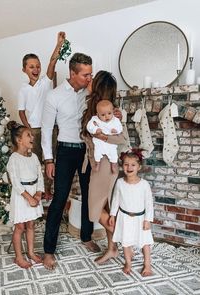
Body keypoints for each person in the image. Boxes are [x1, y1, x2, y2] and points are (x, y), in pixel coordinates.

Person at [41, 52, 100, 270]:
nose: (89, 78)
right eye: (85, 74)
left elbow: (105, 113)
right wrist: (49, 159)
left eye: (90, 74)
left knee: (88, 195)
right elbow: (47, 131)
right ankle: (48, 251)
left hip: (86, 151)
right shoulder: (54, 96)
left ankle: (86, 236)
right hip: (64, 151)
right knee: (59, 200)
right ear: (72, 73)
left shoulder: (90, 93)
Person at [81, 70, 124, 264]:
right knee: (105, 205)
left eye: (93, 80)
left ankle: (123, 234)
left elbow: (120, 138)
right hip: (98, 162)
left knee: (94, 209)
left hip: (105, 164)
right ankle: (112, 249)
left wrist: (104, 135)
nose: (89, 81)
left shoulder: (110, 113)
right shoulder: (96, 108)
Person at [18, 32, 65, 200]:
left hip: (50, 128)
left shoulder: (46, 82)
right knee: (35, 163)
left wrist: (58, 44)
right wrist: (28, 128)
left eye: (37, 66)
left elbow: (52, 62)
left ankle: (49, 190)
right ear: (24, 70)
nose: (35, 69)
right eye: (31, 67)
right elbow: (21, 111)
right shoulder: (23, 89)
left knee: (50, 160)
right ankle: (38, 190)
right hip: (34, 131)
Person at [109, 150, 154, 276]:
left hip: (140, 218)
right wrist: (113, 214)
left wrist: (148, 220)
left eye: (133, 165)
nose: (129, 167)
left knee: (144, 242)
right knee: (126, 241)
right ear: (122, 166)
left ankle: (147, 265)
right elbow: (116, 199)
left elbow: (149, 203)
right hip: (124, 217)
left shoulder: (144, 185)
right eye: (126, 164)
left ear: (139, 167)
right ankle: (128, 263)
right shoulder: (119, 182)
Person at [7, 121, 44, 269]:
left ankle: (31, 252)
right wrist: (29, 198)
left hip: (34, 194)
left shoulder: (34, 157)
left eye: (32, 135)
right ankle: (19, 257)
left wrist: (39, 194)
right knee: (20, 227)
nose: (32, 137)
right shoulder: (14, 159)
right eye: (28, 135)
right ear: (19, 140)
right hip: (21, 196)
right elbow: (16, 183)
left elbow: (39, 176)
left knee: (31, 224)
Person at [87, 99, 122, 173]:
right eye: (103, 115)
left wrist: (116, 130)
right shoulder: (95, 119)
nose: (107, 116)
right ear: (97, 114)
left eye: (109, 113)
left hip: (110, 143)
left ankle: (113, 165)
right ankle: (97, 164)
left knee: (113, 154)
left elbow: (120, 128)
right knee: (97, 153)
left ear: (112, 111)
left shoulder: (115, 120)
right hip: (99, 142)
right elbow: (89, 126)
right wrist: (95, 129)